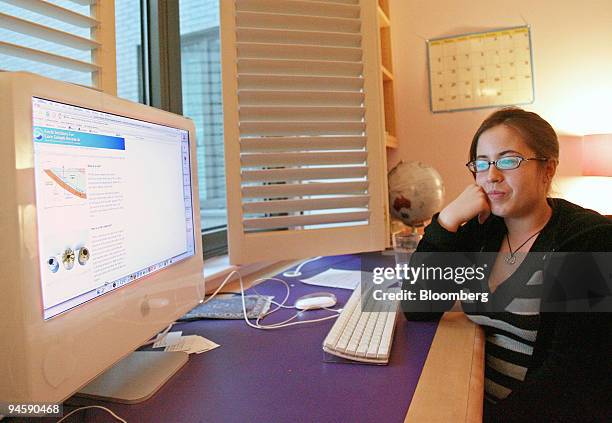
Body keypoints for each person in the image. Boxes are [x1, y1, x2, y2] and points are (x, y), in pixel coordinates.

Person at [403, 107, 612, 422]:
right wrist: (446, 221)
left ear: (548, 169)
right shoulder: (482, 228)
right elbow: (419, 307)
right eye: (482, 163)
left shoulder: (587, 241)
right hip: (472, 399)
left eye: (508, 160)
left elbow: (571, 385)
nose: (492, 175)